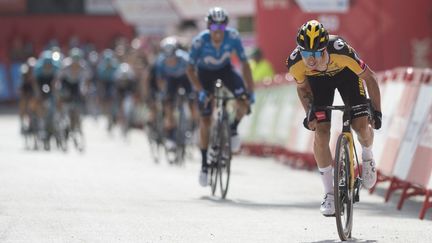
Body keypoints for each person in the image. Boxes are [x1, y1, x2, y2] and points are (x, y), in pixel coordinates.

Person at [286, 20, 382, 216]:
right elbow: (303, 88)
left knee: (361, 126)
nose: (310, 59)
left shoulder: (341, 50)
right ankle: (330, 193)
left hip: (347, 76)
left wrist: (376, 111)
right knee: (320, 133)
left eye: (315, 53)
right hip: (318, 82)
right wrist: (309, 113)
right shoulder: (295, 62)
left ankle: (367, 156)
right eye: (306, 54)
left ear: (324, 48)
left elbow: (369, 77)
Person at [186, 7, 255, 187]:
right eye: (214, 28)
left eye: (221, 28)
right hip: (204, 74)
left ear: (226, 27)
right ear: (209, 27)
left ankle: (232, 128)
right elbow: (189, 69)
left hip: (225, 71)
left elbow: (245, 64)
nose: (218, 32)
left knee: (244, 101)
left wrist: (251, 90)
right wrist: (201, 90)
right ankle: (204, 166)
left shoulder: (233, 37)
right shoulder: (200, 41)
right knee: (206, 119)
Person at [156, 36, 198, 150]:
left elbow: (193, 74)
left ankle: (194, 128)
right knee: (168, 105)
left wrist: (194, 90)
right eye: (168, 59)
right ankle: (170, 136)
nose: (171, 61)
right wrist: (164, 93)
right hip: (171, 81)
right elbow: (160, 80)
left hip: (186, 78)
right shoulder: (160, 61)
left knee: (192, 101)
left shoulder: (185, 58)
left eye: (173, 58)